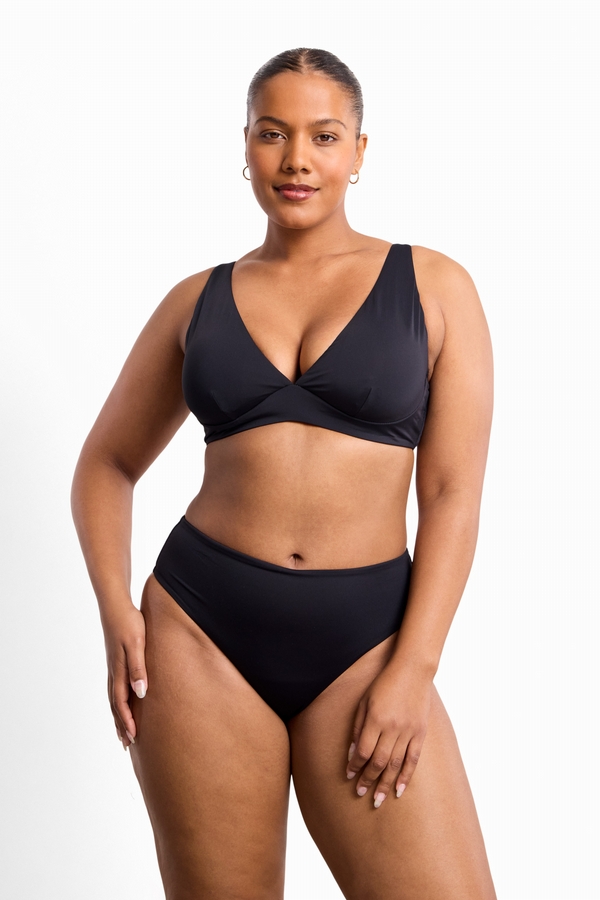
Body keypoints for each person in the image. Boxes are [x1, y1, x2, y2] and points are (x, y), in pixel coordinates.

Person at [71, 47, 496, 900]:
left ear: (359, 152)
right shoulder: (197, 300)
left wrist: (413, 669)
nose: (297, 159)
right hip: (199, 635)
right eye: (273, 134)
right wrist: (116, 609)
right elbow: (106, 465)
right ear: (247, 145)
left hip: (367, 644)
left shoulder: (435, 286)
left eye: (323, 136)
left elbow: (452, 495)